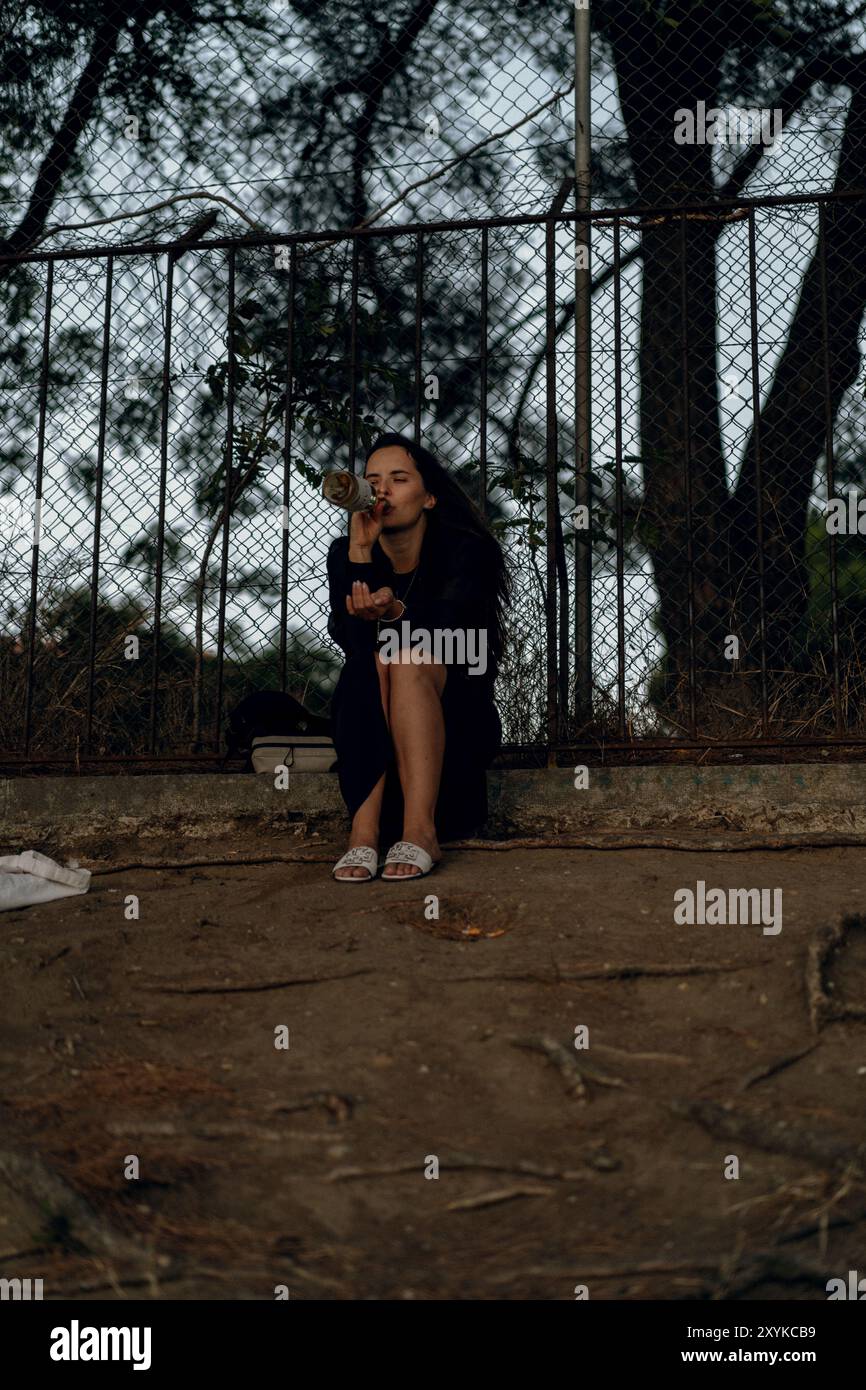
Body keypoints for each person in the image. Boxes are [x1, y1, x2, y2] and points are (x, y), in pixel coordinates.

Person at [326, 432, 510, 881]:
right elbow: (350, 641)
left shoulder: (468, 551)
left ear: (429, 497)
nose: (382, 489)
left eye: (399, 478)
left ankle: (421, 831)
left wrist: (395, 611)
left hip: (454, 741)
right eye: (372, 480)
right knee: (370, 661)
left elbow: (451, 632)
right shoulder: (346, 552)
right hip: (378, 749)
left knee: (404, 657)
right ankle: (364, 834)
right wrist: (360, 554)